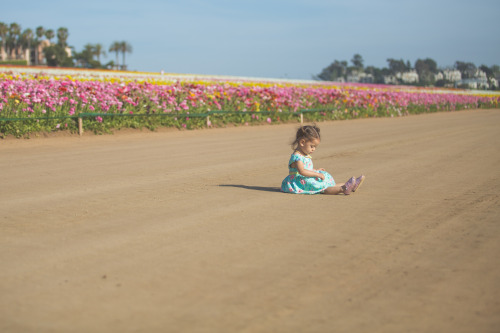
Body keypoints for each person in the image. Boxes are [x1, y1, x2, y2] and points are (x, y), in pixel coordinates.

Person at [281, 125, 364, 195]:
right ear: (302, 142)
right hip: (298, 182)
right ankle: (343, 189)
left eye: (315, 147)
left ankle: (351, 185)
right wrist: (316, 174)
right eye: (312, 146)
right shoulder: (297, 157)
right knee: (322, 188)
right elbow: (302, 171)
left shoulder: (305, 155)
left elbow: (307, 169)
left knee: (326, 182)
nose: (313, 149)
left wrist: (316, 170)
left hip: (305, 178)